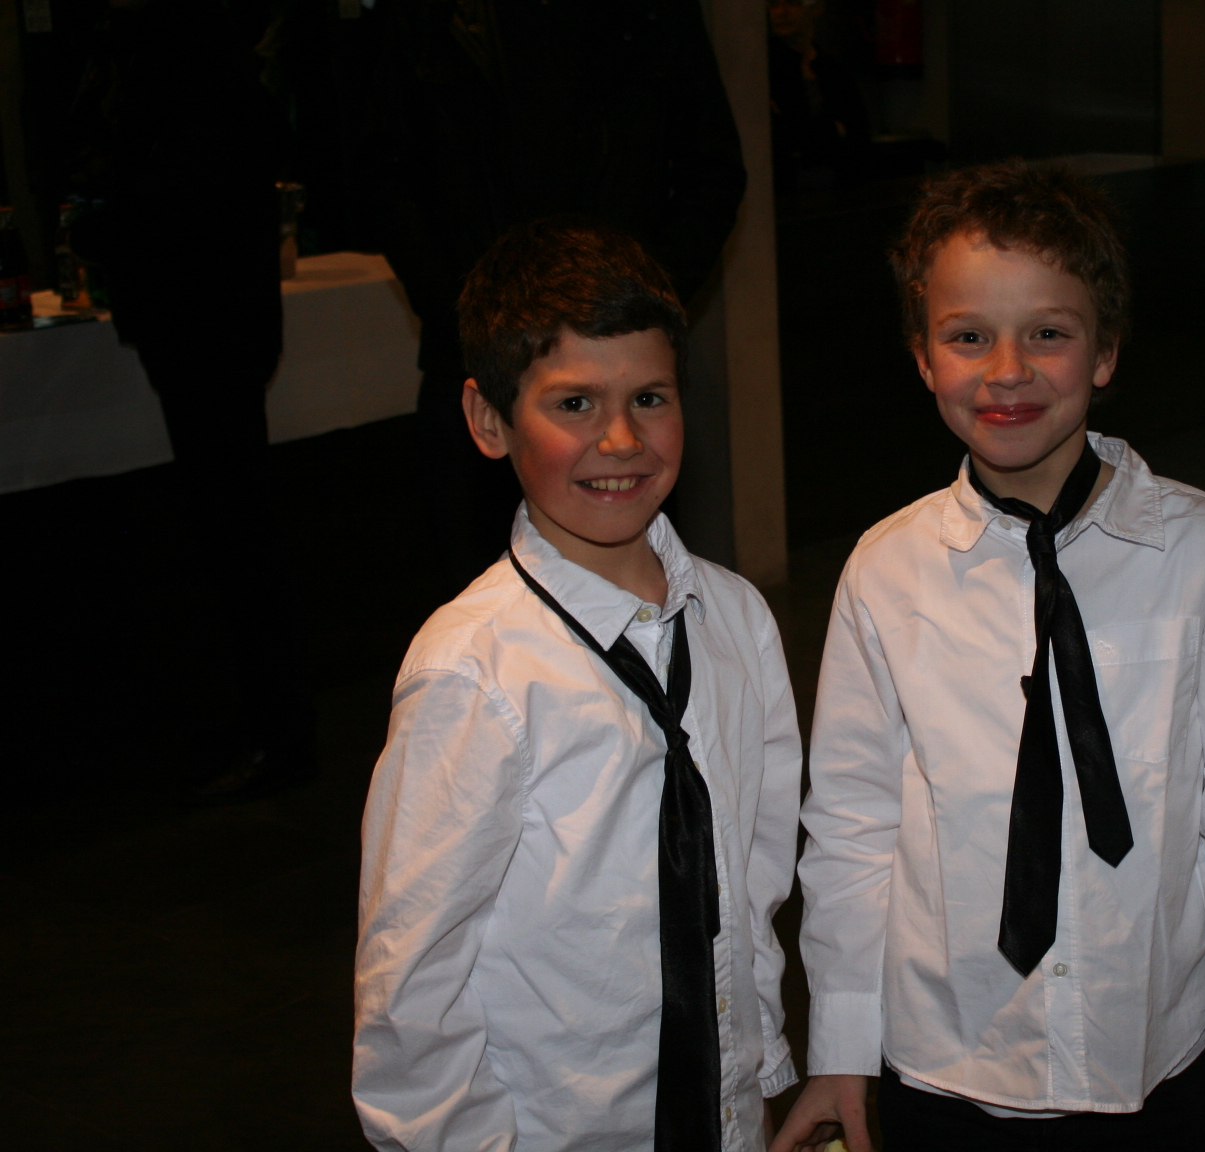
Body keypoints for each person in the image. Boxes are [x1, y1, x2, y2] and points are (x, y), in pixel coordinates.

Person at [772, 161, 1205, 1152]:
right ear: (921, 357)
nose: (1007, 371)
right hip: (941, 1070)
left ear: (1106, 350)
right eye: (968, 337)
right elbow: (854, 831)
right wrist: (840, 1048)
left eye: (1048, 333)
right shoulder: (886, 572)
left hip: (1150, 1073)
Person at [352, 222, 801, 1152]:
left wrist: (756, 1081)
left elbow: (753, 882)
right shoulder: (470, 672)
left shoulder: (737, 619)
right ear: (489, 421)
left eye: (649, 398)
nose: (621, 438)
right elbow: (412, 990)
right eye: (574, 403)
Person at [363, 0, 747, 594]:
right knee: (482, 595)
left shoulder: (656, 9)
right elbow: (385, 176)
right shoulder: (428, 11)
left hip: (620, 349)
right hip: (478, 352)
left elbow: (713, 171)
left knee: (639, 583)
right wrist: (472, 319)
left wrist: (633, 310)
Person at [65, 0, 316, 802]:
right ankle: (266, 724)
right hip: (209, 327)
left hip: (208, 329)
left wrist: (106, 231)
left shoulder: (184, 51)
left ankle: (277, 732)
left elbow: (176, 199)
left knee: (240, 536)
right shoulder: (188, 48)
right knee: (232, 535)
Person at [767, 0, 872, 192]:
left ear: (816, 9)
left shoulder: (832, 68)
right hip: (784, 188)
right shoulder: (764, 68)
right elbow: (778, 135)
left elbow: (858, 133)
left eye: (792, 3)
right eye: (773, 4)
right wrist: (832, 130)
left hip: (837, 185)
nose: (780, 12)